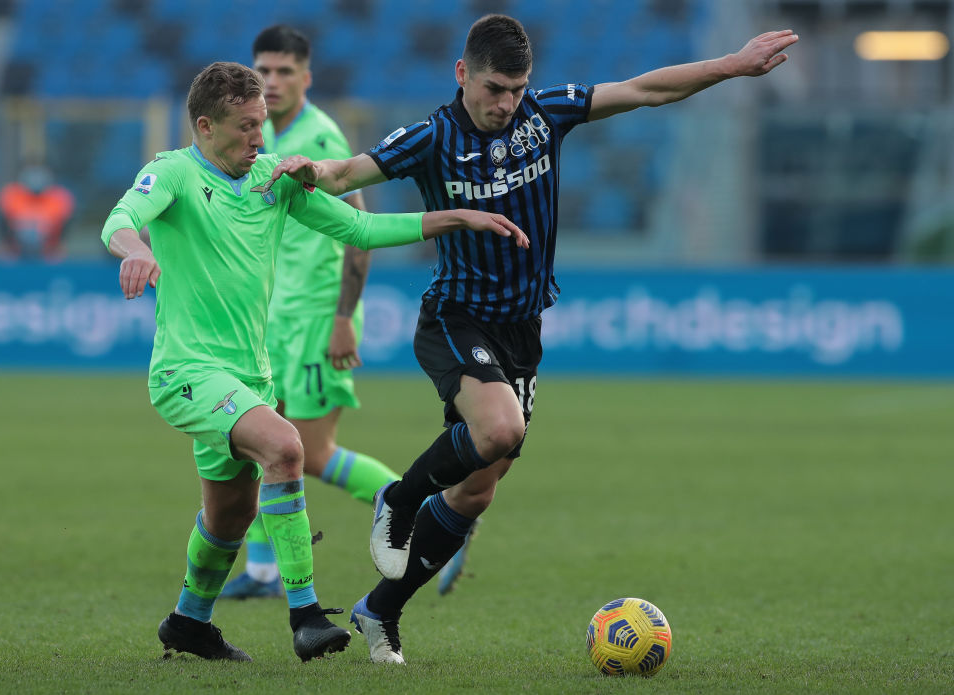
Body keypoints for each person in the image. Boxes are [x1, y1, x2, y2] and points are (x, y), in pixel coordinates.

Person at [271, 15, 799, 664]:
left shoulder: (542, 116)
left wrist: (730, 64)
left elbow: (644, 90)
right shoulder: (433, 135)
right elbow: (349, 173)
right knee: (499, 430)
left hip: (521, 330)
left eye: (517, 89)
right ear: (462, 74)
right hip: (456, 319)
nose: (506, 103)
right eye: (494, 88)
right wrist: (306, 169)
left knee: (478, 489)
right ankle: (398, 499)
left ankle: (380, 609)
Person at [100, 61, 528, 663]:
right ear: (205, 125)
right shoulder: (171, 172)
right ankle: (305, 616)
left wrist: (456, 217)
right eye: (247, 127)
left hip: (250, 375)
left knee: (229, 518)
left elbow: (359, 226)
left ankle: (188, 623)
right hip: (186, 373)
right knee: (288, 447)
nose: (260, 138)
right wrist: (134, 251)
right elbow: (120, 221)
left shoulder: (272, 182)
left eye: (264, 124)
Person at [0, 163, 74, 261]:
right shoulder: (11, 195)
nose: (36, 178)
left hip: (49, 250)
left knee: (57, 256)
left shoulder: (60, 198)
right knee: (6, 255)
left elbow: (64, 230)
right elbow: (3, 227)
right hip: (15, 249)